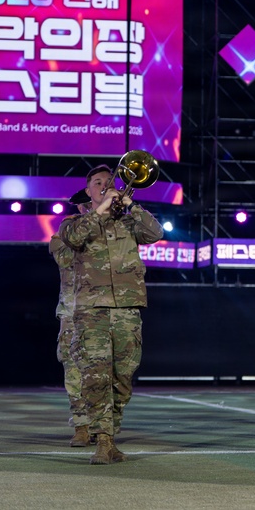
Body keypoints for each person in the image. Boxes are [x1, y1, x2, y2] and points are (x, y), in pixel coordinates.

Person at [60, 164, 163, 464]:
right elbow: (74, 239)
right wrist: (102, 209)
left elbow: (155, 233)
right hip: (92, 311)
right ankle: (102, 441)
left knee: (123, 377)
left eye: (109, 181)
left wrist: (131, 203)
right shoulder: (75, 223)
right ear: (88, 190)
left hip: (128, 310)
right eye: (98, 182)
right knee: (95, 376)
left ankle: (111, 434)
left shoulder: (129, 224)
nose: (105, 185)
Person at [48, 189, 92, 447]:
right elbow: (69, 260)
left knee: (104, 371)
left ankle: (103, 424)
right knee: (73, 369)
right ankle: (81, 424)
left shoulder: (114, 230)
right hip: (73, 311)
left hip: (103, 309)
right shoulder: (64, 231)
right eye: (86, 206)